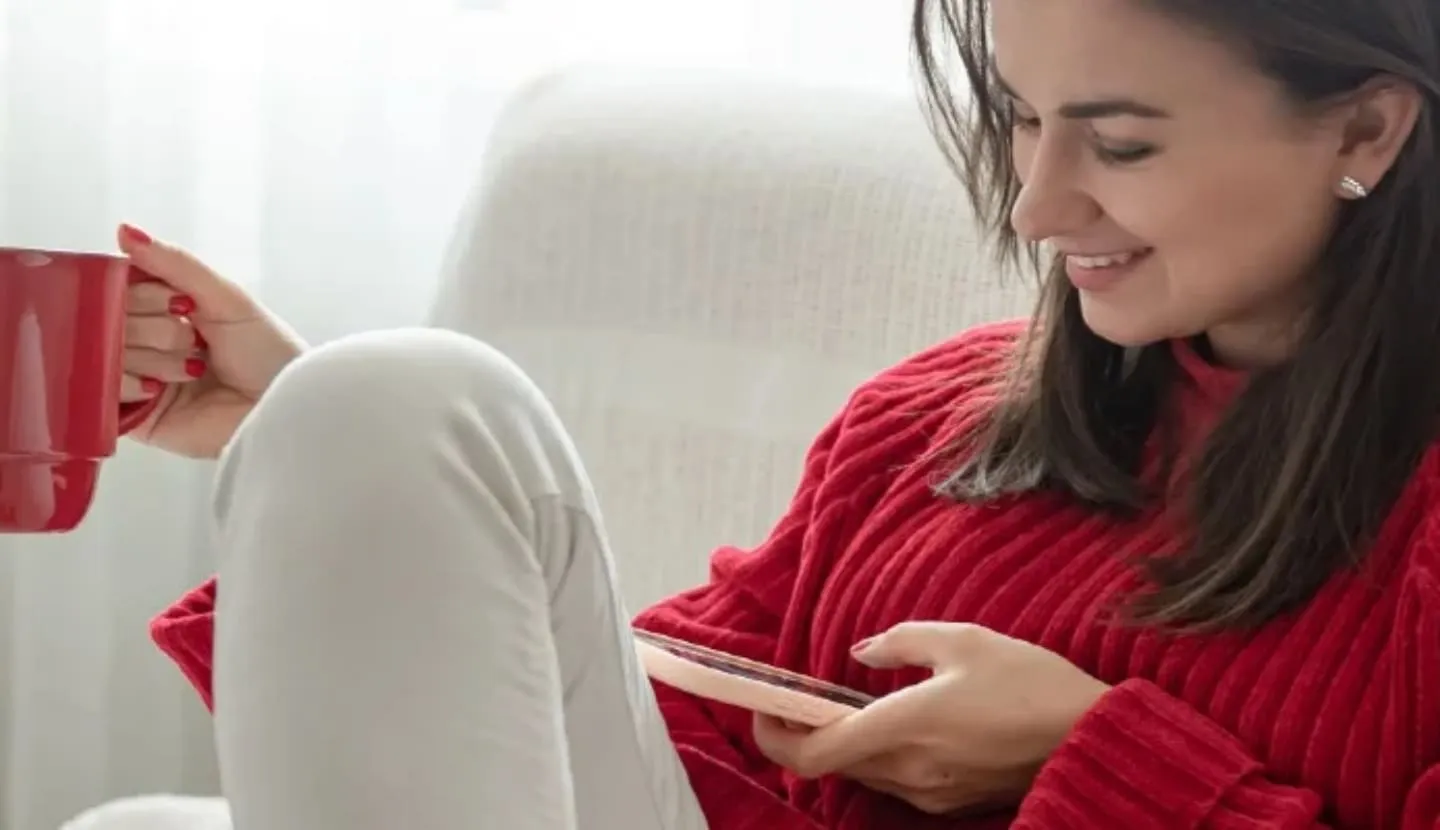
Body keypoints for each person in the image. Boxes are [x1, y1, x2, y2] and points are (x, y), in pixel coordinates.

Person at [119, 0, 1440, 826]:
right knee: (387, 398)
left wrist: (1089, 756)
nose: (1038, 205)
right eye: (1020, 120)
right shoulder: (936, 419)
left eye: (1123, 143)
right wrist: (357, 474)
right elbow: (627, 741)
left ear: (1366, 132)